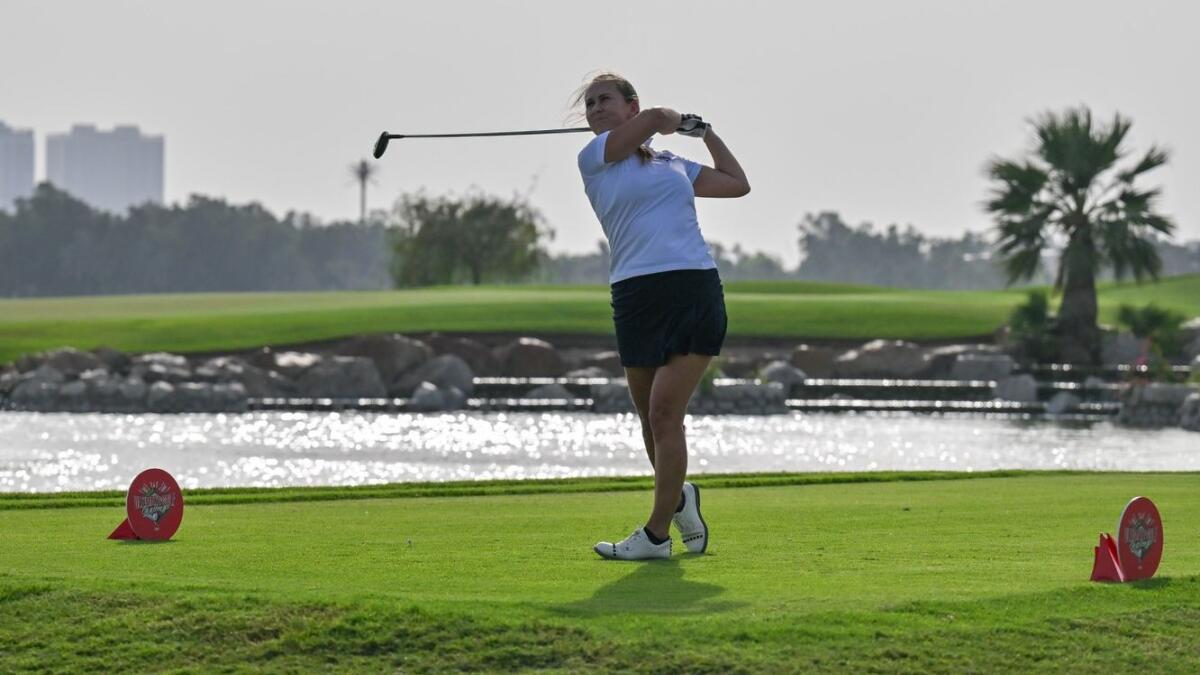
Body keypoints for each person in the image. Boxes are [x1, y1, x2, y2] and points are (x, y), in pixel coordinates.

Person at [571, 72, 750, 560]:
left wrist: (705, 133)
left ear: (628, 105)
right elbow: (654, 119)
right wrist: (670, 119)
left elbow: (738, 184)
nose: (595, 109)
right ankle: (681, 497)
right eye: (589, 105)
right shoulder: (595, 157)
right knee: (651, 424)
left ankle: (655, 536)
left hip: (692, 285)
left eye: (604, 100)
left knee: (665, 413)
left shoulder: (673, 162)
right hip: (634, 294)